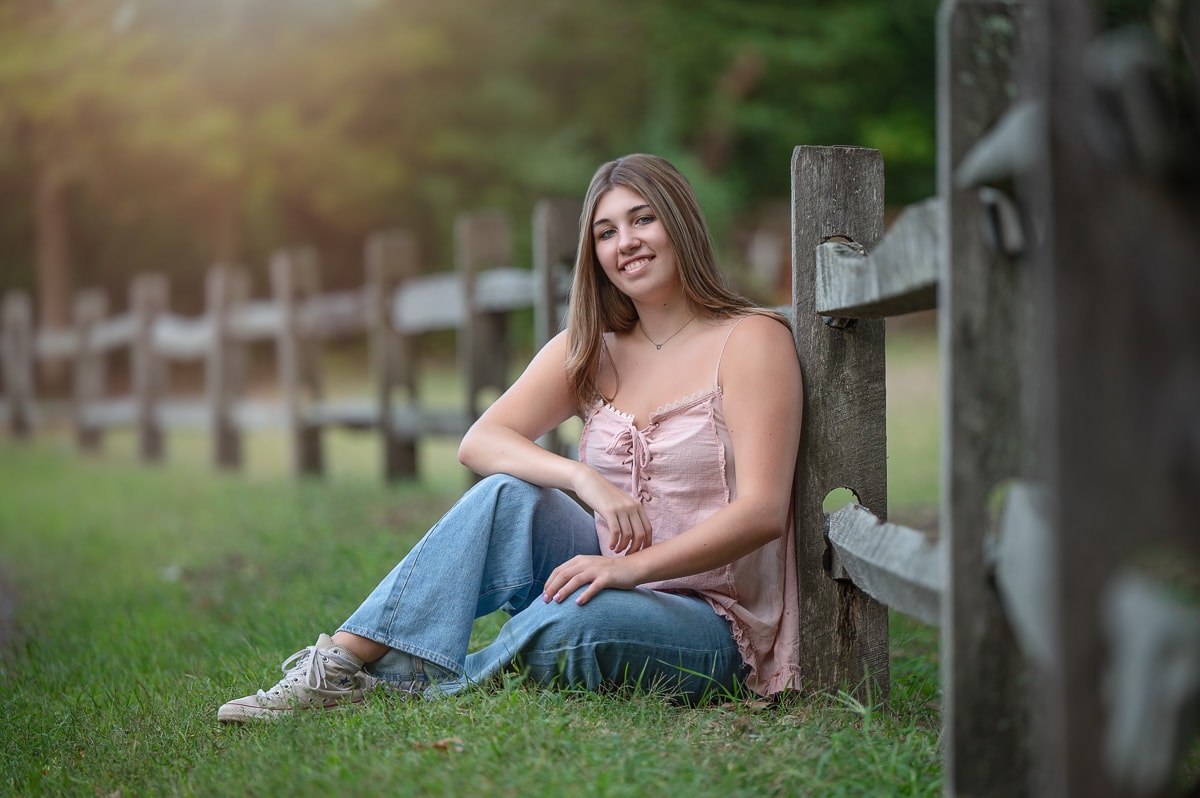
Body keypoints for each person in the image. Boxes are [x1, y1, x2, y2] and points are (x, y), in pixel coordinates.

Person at [217, 153, 803, 723]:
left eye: (643, 219)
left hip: (714, 623)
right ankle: (340, 663)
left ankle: (406, 689)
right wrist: (581, 477)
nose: (625, 242)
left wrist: (629, 570)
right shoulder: (590, 349)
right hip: (608, 574)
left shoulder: (750, 340)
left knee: (571, 626)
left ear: (681, 224)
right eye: (605, 231)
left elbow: (762, 512)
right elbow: (481, 442)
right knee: (507, 494)